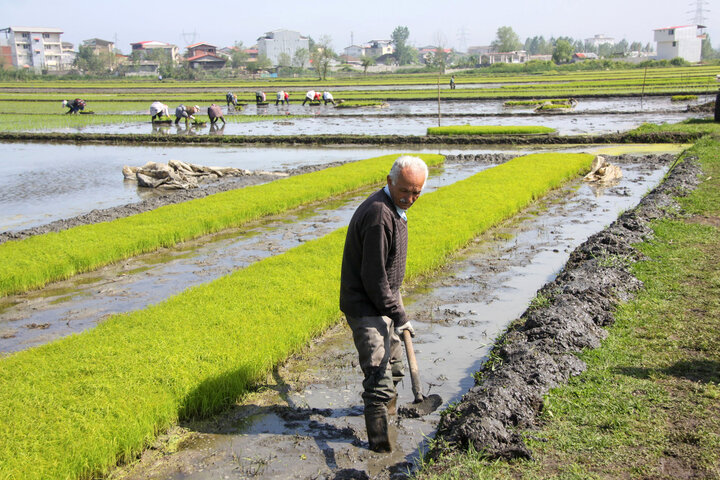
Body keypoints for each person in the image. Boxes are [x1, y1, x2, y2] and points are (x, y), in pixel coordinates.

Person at [340, 155, 429, 453]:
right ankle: (381, 450)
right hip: (366, 306)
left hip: (385, 298)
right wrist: (399, 314)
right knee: (379, 378)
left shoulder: (396, 208)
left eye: (416, 192)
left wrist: (395, 305)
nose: (410, 198)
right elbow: (373, 276)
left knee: (395, 367)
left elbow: (385, 274)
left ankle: (389, 420)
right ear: (390, 182)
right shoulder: (380, 215)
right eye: (405, 190)